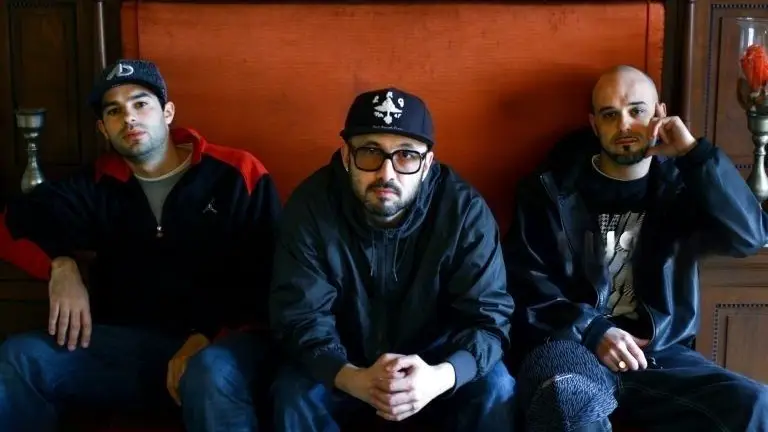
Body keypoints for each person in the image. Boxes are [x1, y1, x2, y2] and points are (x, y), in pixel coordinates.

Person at [0, 59, 281, 431]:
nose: (129, 117)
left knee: (209, 371)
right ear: (104, 129)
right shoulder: (98, 183)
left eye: (140, 104)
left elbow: (270, 277)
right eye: (114, 111)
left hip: (228, 345)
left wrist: (207, 334)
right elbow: (14, 223)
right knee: (20, 357)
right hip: (137, 350)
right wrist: (61, 265)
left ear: (167, 113)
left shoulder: (235, 173)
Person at [504, 65, 768, 431]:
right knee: (568, 402)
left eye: (636, 111)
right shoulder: (551, 191)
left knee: (754, 404)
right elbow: (526, 287)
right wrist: (593, 329)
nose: (625, 125)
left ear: (660, 113)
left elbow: (750, 237)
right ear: (594, 124)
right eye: (610, 115)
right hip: (574, 347)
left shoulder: (682, 187)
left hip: (658, 355)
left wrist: (693, 154)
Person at [269, 87, 516, 431]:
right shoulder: (312, 206)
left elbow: (489, 318)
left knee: (496, 387)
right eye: (370, 152)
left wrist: (440, 376)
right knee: (293, 392)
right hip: (345, 366)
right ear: (346, 155)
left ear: (427, 164)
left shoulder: (464, 212)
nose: (386, 174)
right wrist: (351, 377)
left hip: (434, 370)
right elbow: (299, 317)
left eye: (406, 155)